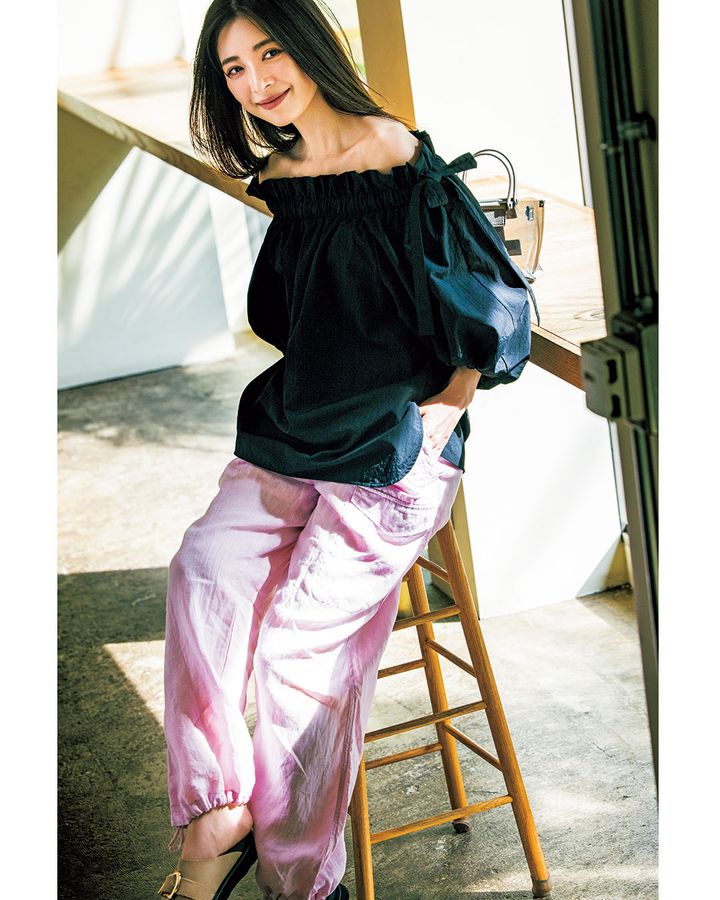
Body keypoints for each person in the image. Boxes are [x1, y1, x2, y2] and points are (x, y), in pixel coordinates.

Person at [157, 1, 533, 898]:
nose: (257, 82)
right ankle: (215, 815)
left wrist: (446, 409)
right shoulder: (284, 176)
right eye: (235, 68)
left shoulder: (398, 159)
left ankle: (299, 881)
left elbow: (495, 300)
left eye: (270, 53)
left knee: (297, 654)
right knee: (202, 567)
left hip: (398, 442)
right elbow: (295, 315)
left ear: (310, 46)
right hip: (301, 427)